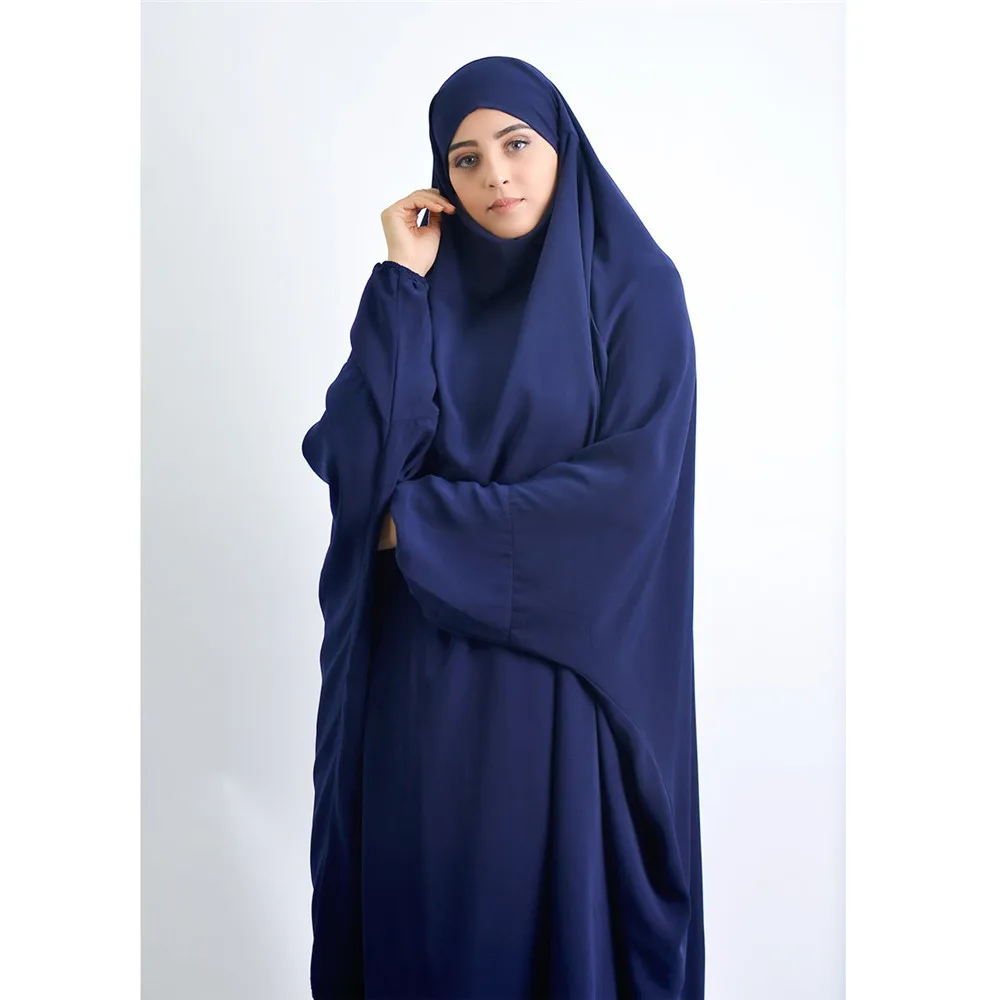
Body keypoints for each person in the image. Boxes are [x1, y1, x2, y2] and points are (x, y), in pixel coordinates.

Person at [302, 55, 703, 999]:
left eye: (517, 145)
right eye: (467, 158)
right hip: (417, 699)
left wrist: (419, 522)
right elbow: (356, 458)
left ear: (561, 146)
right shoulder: (424, 292)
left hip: (554, 695)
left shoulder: (635, 290)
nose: (497, 177)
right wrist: (400, 282)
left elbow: (629, 497)